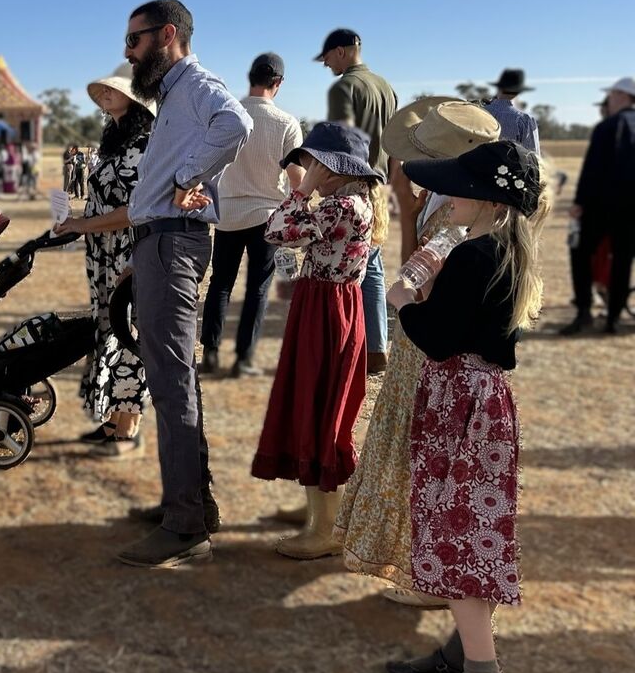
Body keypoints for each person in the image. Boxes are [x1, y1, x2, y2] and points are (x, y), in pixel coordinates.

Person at [384, 141, 549, 673]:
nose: (443, 194)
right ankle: (464, 650)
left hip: (459, 404)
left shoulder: (474, 256)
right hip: (486, 404)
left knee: (456, 540)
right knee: (478, 531)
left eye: (457, 187)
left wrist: (405, 299)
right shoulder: (505, 250)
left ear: (487, 199)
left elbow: (436, 337)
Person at [335, 98, 501, 606]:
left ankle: (429, 572)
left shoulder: (463, 213)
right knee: (414, 451)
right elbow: (413, 268)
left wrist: (409, 210)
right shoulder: (450, 202)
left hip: (435, 349)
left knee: (427, 457)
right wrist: (408, 208)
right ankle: (420, 566)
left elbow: (425, 282)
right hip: (419, 342)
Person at [116, 0, 252, 568]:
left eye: (135, 41)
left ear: (167, 35)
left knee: (171, 383)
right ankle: (191, 501)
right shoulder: (175, 94)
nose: (127, 53)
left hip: (174, 240)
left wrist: (183, 176)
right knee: (174, 378)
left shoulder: (196, 85)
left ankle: (186, 524)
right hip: (161, 241)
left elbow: (237, 124)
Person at [250, 123, 385, 559]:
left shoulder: (340, 206)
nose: (305, 167)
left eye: (312, 162)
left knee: (316, 406)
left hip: (325, 312)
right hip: (330, 307)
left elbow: (274, 231)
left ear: (331, 167)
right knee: (317, 404)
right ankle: (320, 511)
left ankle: (325, 528)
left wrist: (300, 191)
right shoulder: (353, 203)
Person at [54, 63, 156, 457]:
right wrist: (76, 223)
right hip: (103, 251)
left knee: (128, 330)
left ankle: (128, 426)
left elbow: (135, 209)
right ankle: (113, 418)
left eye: (115, 90)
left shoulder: (145, 143)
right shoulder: (114, 140)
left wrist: (84, 224)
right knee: (108, 330)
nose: (106, 95)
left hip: (128, 252)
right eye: (104, 91)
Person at [200, 53, 304, 378]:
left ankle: (211, 352)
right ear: (279, 83)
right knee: (257, 288)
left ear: (250, 78)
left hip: (228, 212)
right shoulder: (286, 123)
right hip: (265, 214)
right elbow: (297, 177)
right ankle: (244, 358)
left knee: (220, 284)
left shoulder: (228, 114)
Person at [318, 28, 397, 374]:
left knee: (345, 269)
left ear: (342, 51)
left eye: (327, 58)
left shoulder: (344, 87)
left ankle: (350, 348)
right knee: (374, 267)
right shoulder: (386, 86)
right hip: (378, 183)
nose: (326, 65)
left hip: (351, 180)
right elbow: (395, 140)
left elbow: (342, 142)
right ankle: (378, 347)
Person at [559, 76, 635, 336]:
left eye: (612, 95)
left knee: (579, 252)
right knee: (623, 262)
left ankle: (583, 312)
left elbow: (592, 170)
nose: (609, 100)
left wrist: (579, 203)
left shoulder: (607, 127)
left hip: (600, 208)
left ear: (621, 96)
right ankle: (614, 318)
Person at [482, 68, 541, 154]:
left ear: (499, 88)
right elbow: (533, 158)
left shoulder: (480, 112)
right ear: (519, 91)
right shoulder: (524, 120)